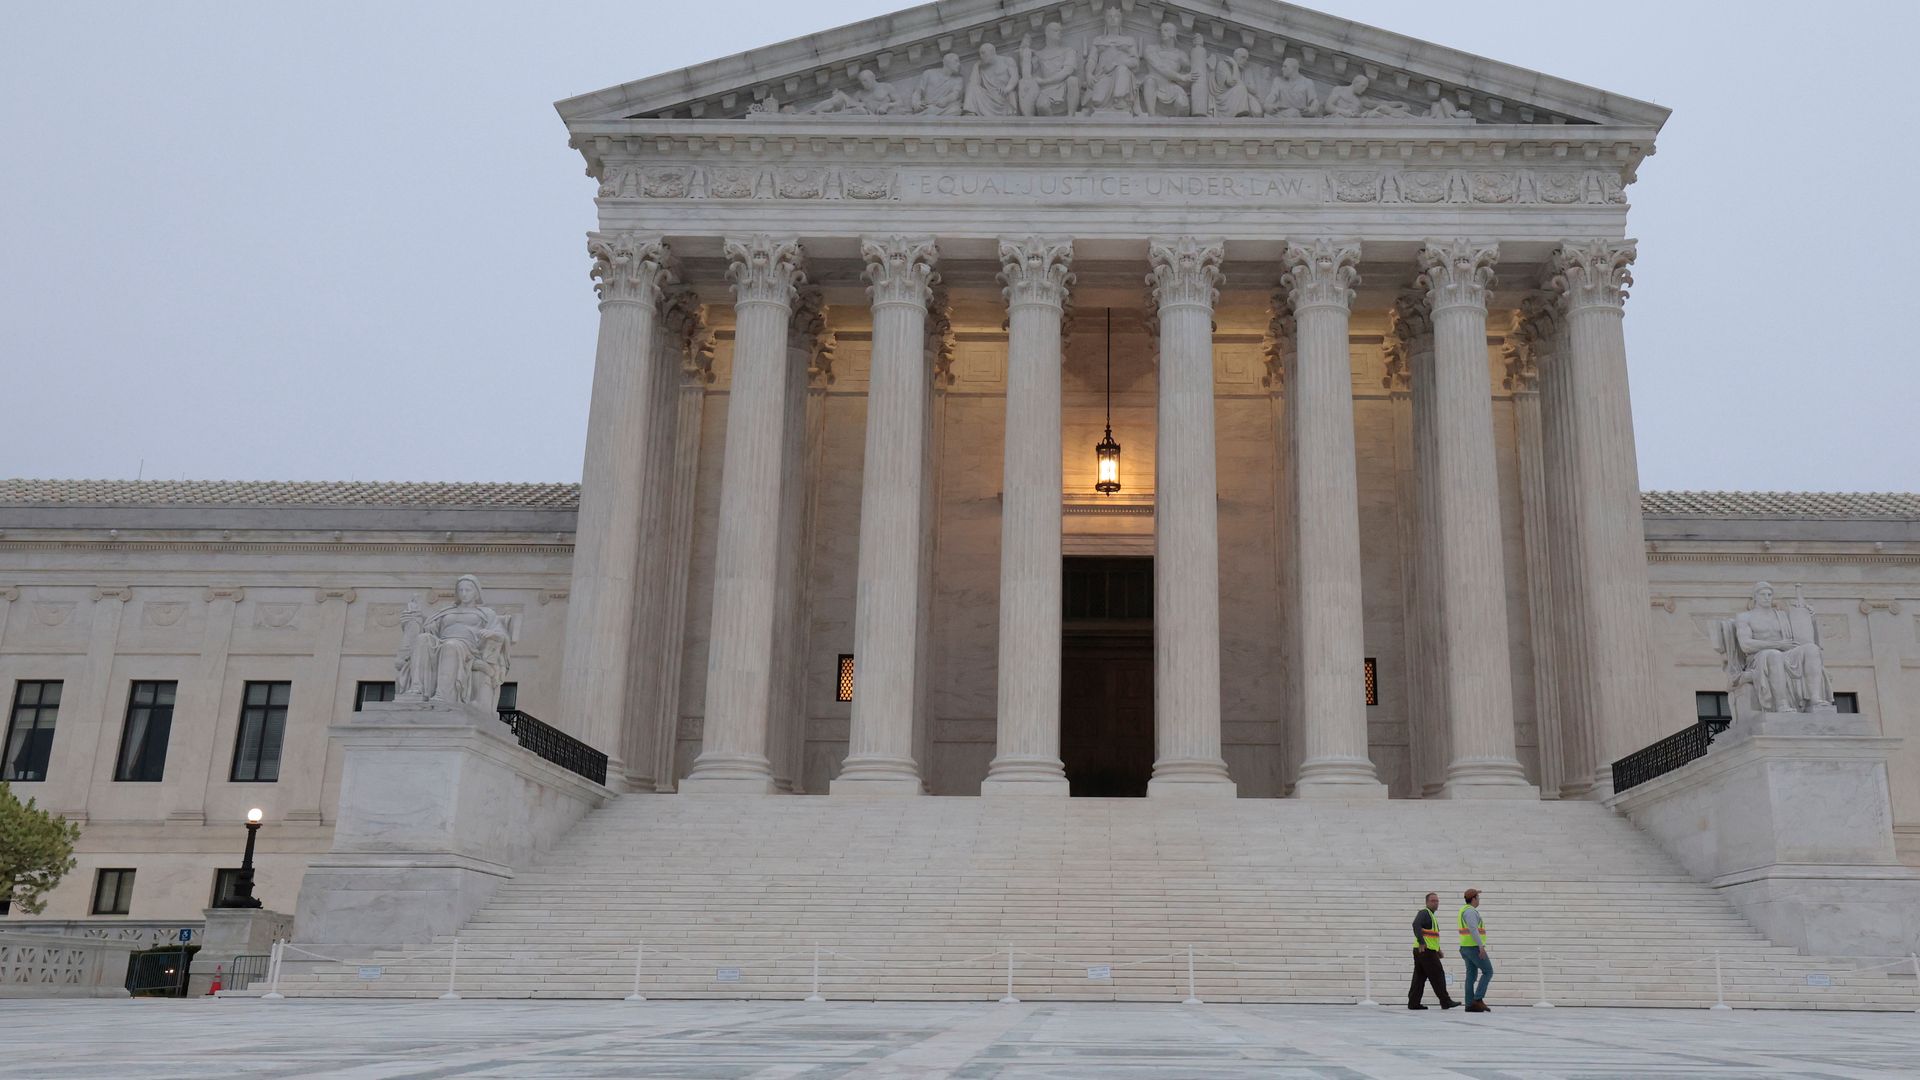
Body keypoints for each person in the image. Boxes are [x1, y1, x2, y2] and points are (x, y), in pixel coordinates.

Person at [1409, 891, 1459, 1010]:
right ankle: (1445, 1001)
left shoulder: (1431, 916)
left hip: (1424, 951)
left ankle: (1413, 1003)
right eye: (1433, 901)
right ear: (1427, 902)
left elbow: (1433, 936)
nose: (1435, 903)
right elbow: (1415, 924)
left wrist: (1438, 950)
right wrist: (1422, 942)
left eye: (1437, 901)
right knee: (1438, 975)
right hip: (1425, 951)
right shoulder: (1424, 913)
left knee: (1419, 977)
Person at [1458, 888, 1493, 1012]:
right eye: (1478, 897)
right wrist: (1481, 946)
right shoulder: (1470, 911)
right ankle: (1478, 999)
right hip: (1473, 948)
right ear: (1473, 899)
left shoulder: (1464, 910)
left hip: (1466, 947)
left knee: (1471, 976)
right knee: (1488, 971)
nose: (1479, 899)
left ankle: (1469, 1004)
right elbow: (1473, 929)